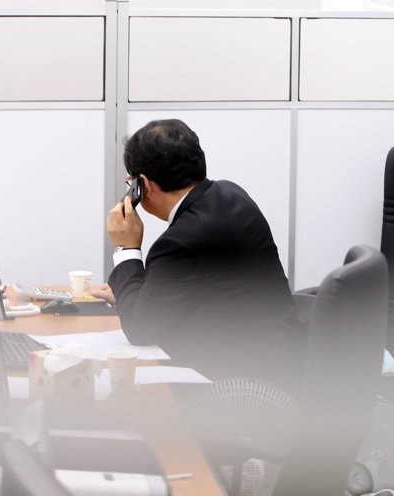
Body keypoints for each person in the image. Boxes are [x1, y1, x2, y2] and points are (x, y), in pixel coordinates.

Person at [92, 119, 305, 390]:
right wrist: (130, 294)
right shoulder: (231, 193)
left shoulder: (178, 244)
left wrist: (127, 249)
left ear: (143, 184)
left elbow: (140, 328)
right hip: (282, 361)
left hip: (241, 384)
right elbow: (190, 289)